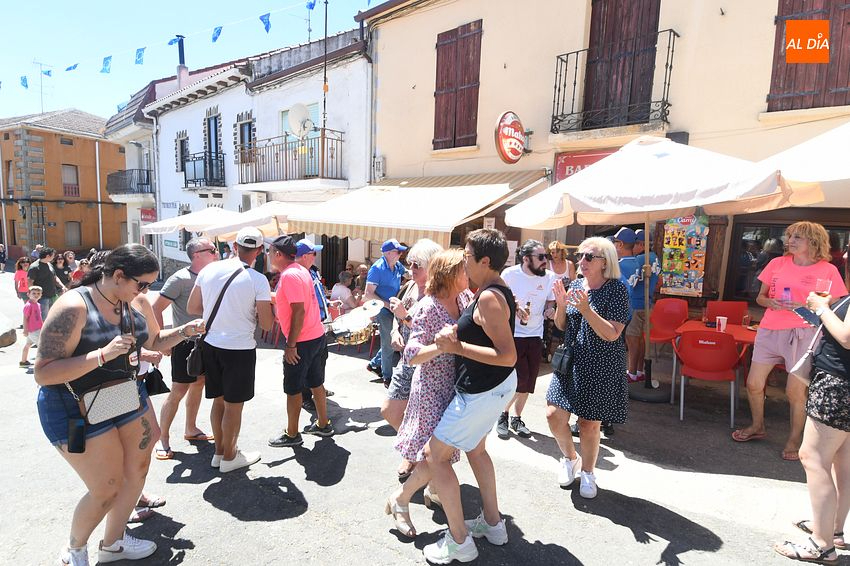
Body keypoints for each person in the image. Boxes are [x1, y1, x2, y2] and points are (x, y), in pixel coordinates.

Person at [34, 244, 206, 566]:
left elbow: (154, 342)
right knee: (106, 486)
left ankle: (112, 544)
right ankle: (74, 550)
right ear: (117, 275)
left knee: (137, 468)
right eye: (142, 283)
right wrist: (102, 354)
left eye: (152, 284)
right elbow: (43, 373)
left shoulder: (134, 301)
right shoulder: (74, 306)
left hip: (121, 393)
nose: (147, 290)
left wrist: (184, 331)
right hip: (72, 405)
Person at [413, 229, 517, 563]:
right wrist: (455, 334)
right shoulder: (490, 290)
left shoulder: (488, 296)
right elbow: (486, 334)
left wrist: (456, 346)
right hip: (493, 388)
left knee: (435, 456)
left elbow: (507, 355)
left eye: (468, 257)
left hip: (482, 391)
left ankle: (459, 541)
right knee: (476, 450)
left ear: (485, 261)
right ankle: (493, 524)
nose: (464, 261)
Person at [733, 222, 848, 461]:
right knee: (754, 383)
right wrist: (770, 302)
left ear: (814, 242)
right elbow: (761, 297)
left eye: (798, 237)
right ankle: (758, 426)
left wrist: (810, 306)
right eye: (790, 236)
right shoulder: (777, 263)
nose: (790, 240)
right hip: (769, 328)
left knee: (794, 391)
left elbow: (835, 307)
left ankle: (794, 439)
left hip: (804, 332)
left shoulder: (827, 270)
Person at [386, 248, 470, 521]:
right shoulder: (428, 306)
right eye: (463, 269)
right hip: (432, 389)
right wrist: (439, 345)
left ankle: (430, 491)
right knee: (436, 453)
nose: (468, 272)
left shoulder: (465, 297)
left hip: (455, 387)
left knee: (440, 453)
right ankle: (404, 499)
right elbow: (411, 355)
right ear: (449, 275)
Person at [546, 236, 631, 499]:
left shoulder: (616, 290)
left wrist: (585, 310)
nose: (581, 261)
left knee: (588, 424)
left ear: (605, 262)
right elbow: (561, 326)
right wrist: (561, 306)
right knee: (553, 415)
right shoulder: (576, 285)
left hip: (601, 364)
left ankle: (589, 472)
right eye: (580, 256)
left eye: (588, 257)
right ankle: (570, 458)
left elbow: (612, 334)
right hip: (571, 360)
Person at [187, 227, 274, 473]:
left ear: (234, 247)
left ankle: (219, 453)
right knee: (235, 406)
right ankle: (230, 456)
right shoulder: (258, 280)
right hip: (240, 348)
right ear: (259, 250)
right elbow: (267, 325)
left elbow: (194, 307)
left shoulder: (209, 269)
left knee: (219, 401)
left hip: (212, 344)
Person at [773, 290, 850, 564]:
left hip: (838, 385)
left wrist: (821, 308)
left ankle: (822, 544)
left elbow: (847, 336)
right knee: (841, 460)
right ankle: (833, 529)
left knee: (813, 458)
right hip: (842, 384)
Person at [381, 238, 444, 481]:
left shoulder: (437, 294)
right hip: (406, 362)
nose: (411, 268)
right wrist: (397, 329)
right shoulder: (410, 288)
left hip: (427, 365)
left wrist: (404, 317)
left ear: (431, 265)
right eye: (410, 263)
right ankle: (416, 454)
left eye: (417, 264)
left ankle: (420, 459)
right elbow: (400, 321)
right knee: (390, 410)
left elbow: (433, 334)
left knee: (425, 421)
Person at [151, 238, 219, 461]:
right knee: (178, 390)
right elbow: (156, 309)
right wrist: (162, 341)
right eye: (212, 250)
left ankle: (191, 428)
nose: (217, 253)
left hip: (207, 341)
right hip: (185, 342)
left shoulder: (212, 275)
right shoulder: (179, 278)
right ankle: (163, 439)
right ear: (197, 254)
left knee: (199, 385)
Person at [267, 235, 335, 448]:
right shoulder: (301, 271)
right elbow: (292, 301)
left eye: (269, 252)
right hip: (316, 336)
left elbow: (298, 311)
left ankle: (292, 433)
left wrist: (290, 345)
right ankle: (323, 424)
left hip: (302, 341)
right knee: (316, 383)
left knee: (293, 389)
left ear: (278, 254)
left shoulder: (289, 276)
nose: (268, 256)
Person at [497, 239, 556, 438]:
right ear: (526, 259)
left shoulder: (549, 277)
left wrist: (550, 310)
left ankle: (517, 417)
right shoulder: (510, 274)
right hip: (512, 334)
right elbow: (499, 298)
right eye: (540, 257)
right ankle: (502, 414)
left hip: (535, 334)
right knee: (518, 378)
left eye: (545, 257)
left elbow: (550, 301)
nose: (544, 261)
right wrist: (515, 308)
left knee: (529, 381)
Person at [365, 239, 407, 385]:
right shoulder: (377, 268)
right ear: (388, 253)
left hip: (394, 307)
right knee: (389, 342)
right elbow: (368, 294)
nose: (401, 254)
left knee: (392, 340)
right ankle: (387, 377)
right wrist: (388, 305)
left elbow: (407, 274)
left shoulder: (396, 265)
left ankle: (373, 364)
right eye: (398, 251)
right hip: (383, 310)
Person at [624, 228, 661, 383]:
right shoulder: (655, 257)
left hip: (636, 303)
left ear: (642, 244)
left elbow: (630, 281)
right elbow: (659, 282)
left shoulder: (640, 259)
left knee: (632, 339)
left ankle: (631, 372)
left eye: (635, 244)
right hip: (647, 303)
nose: (633, 248)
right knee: (640, 339)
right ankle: (639, 371)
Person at [28, 247, 67, 319]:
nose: (54, 257)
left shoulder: (49, 264)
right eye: (53, 255)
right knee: (44, 318)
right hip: (42, 297)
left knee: (53, 316)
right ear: (48, 256)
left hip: (53, 295)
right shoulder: (34, 267)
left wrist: (62, 286)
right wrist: (33, 297)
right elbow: (30, 282)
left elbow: (55, 277)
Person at [21, 286, 43, 368]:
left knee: (28, 345)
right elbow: (25, 318)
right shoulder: (29, 305)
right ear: (28, 294)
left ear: (41, 295)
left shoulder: (37, 304)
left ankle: (23, 361)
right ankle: (40, 364)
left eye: (38, 293)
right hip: (33, 330)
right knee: (41, 346)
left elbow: (39, 317)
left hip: (37, 329)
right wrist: (25, 329)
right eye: (33, 293)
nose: (36, 295)